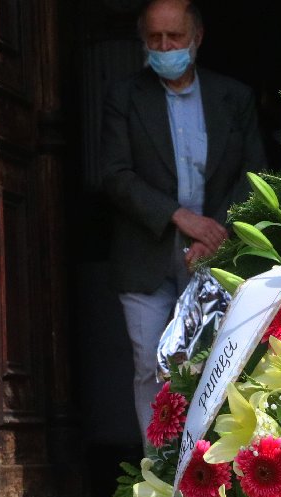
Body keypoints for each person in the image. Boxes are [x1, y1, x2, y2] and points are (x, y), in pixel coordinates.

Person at [100, 0, 265, 446]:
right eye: (154, 38)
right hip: (146, 252)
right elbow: (115, 176)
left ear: (197, 37)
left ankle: (206, 473)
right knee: (150, 364)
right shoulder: (124, 97)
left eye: (174, 37)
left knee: (217, 362)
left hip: (217, 251)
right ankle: (159, 474)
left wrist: (217, 230)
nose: (164, 46)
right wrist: (180, 218)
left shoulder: (234, 97)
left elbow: (254, 174)